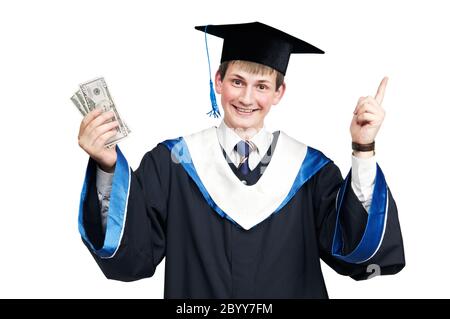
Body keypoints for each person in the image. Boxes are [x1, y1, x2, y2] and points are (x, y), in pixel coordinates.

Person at [77, 21, 405, 298]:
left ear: (279, 93)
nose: (247, 98)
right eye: (237, 82)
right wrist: (108, 167)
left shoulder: (312, 172)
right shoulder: (171, 164)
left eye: (261, 86)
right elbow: (132, 255)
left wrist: (363, 149)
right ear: (218, 82)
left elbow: (354, 252)